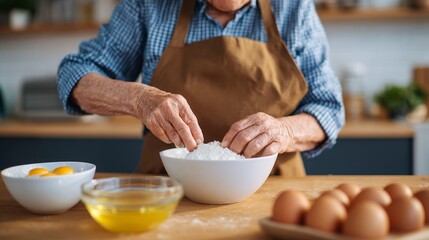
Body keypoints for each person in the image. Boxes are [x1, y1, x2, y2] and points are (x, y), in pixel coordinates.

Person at [57, 0, 345, 177]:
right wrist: (138, 97)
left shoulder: (294, 8)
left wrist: (285, 132)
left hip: (271, 191)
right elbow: (74, 74)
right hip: (169, 191)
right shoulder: (149, 6)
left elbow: (328, 107)